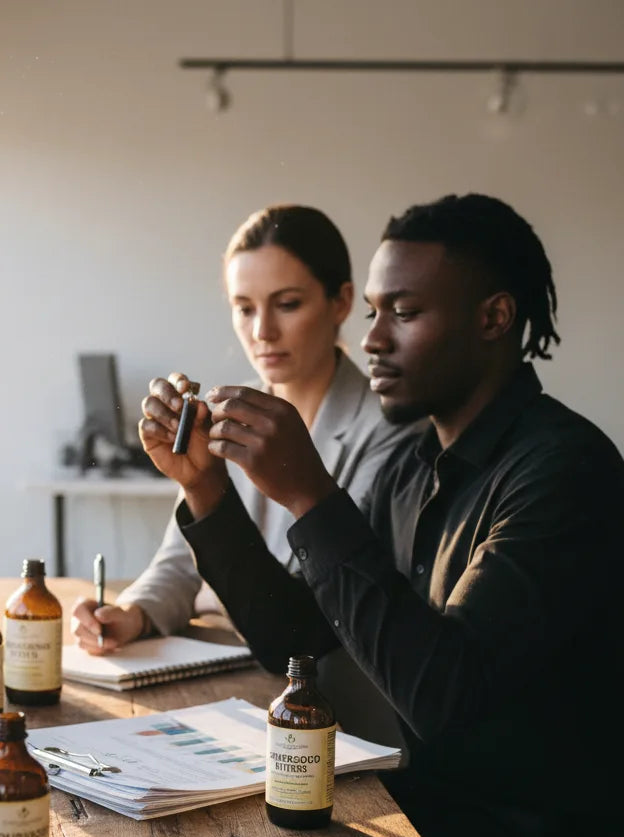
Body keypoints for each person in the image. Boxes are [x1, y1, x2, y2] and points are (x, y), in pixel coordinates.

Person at [139, 192, 624, 837]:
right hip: (426, 817)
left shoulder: (562, 472)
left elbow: (445, 698)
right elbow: (303, 639)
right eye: (370, 311)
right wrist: (206, 494)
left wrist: (310, 499)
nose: (370, 340)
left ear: (494, 317)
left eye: (402, 312)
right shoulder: (408, 465)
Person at [71, 206, 417, 732]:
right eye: (243, 307)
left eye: (288, 304)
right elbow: (181, 562)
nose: (262, 331)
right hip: (249, 691)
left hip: (337, 718)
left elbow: (318, 618)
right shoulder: (236, 414)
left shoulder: (386, 431)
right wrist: (134, 613)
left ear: (342, 302)